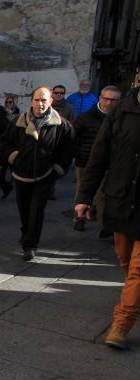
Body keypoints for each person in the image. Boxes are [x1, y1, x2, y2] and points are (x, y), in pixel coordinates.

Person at [75, 81, 140, 348]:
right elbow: (99, 157)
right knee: (126, 264)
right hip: (121, 201)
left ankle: (120, 325)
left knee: (138, 271)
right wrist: (84, 197)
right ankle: (133, 300)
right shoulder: (120, 112)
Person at [2, 87, 75, 261]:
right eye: (37, 100)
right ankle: (26, 231)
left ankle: (30, 245)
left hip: (45, 175)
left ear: (50, 102)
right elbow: (5, 142)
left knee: (37, 210)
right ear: (31, 101)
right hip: (21, 175)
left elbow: (69, 149)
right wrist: (13, 157)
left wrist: (58, 168)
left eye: (43, 100)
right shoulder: (18, 122)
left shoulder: (61, 124)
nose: (40, 104)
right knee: (24, 209)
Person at [72, 86, 121, 231]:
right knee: (83, 189)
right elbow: (73, 137)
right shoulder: (86, 117)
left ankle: (104, 225)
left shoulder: (121, 119)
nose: (109, 103)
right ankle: (79, 218)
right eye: (106, 99)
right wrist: (78, 154)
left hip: (111, 163)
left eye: (113, 100)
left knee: (103, 195)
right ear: (100, 98)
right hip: (85, 161)